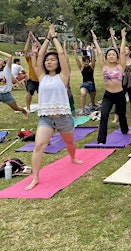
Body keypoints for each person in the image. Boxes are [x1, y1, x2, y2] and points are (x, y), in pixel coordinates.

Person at [25, 25, 83, 190]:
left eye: (53, 60)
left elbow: (63, 55)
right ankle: (35, 177)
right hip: (46, 119)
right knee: (38, 146)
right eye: (47, 60)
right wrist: (47, 38)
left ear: (57, 63)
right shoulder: (41, 76)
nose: (49, 61)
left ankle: (72, 157)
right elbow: (40, 54)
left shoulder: (63, 76)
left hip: (63, 117)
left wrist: (55, 38)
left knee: (70, 143)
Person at [92, 28, 131, 144]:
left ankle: (125, 130)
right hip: (108, 96)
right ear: (106, 58)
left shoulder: (121, 67)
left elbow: (121, 52)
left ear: (117, 57)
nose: (111, 56)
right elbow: (99, 53)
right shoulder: (103, 67)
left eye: (113, 55)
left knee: (121, 114)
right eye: (109, 55)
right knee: (104, 116)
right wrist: (95, 41)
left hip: (120, 94)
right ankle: (101, 140)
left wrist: (123, 37)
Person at [0, 51, 28, 119]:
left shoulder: (7, 70)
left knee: (16, 108)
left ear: (3, 64)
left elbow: (9, 56)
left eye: (0, 60)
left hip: (6, 94)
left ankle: (24, 112)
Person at [72, 42, 97, 115]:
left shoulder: (92, 66)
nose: (86, 62)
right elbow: (77, 60)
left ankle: (93, 104)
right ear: (83, 62)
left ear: (89, 61)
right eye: (84, 61)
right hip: (85, 85)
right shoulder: (81, 68)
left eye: (87, 61)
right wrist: (75, 51)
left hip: (92, 84)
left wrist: (92, 50)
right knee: (83, 94)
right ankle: (82, 109)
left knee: (92, 101)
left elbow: (93, 58)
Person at [24, 31, 42, 113]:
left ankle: (43, 107)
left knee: (42, 95)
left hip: (41, 79)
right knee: (29, 92)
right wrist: (28, 38)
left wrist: (34, 38)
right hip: (32, 79)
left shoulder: (41, 57)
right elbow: (25, 50)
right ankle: (28, 108)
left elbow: (42, 47)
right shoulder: (30, 58)